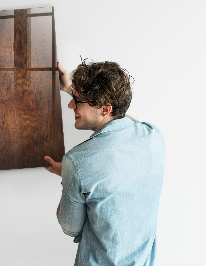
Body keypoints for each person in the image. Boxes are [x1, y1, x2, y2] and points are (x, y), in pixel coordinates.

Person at [44, 60, 165, 265]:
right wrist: (70, 89)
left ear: (105, 108)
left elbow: (70, 227)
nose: (71, 104)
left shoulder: (76, 162)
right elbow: (122, 118)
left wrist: (69, 176)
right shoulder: (153, 136)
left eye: (77, 100)